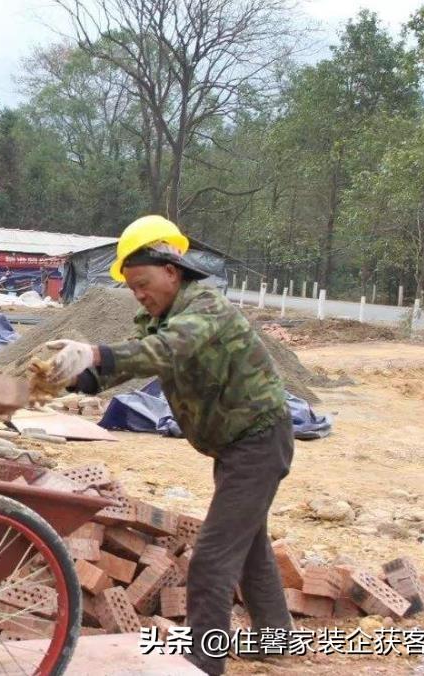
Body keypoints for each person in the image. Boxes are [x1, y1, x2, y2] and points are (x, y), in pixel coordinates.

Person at [41, 215, 294, 676]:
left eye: (143, 283)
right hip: (235, 445)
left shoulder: (204, 309)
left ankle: (203, 662)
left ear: (172, 271)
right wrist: (75, 377)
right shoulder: (162, 315)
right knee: (250, 546)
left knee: (212, 559)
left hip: (259, 441)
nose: (138, 294)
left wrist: (95, 351)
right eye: (132, 287)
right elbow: (135, 360)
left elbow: (167, 351)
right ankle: (276, 638)